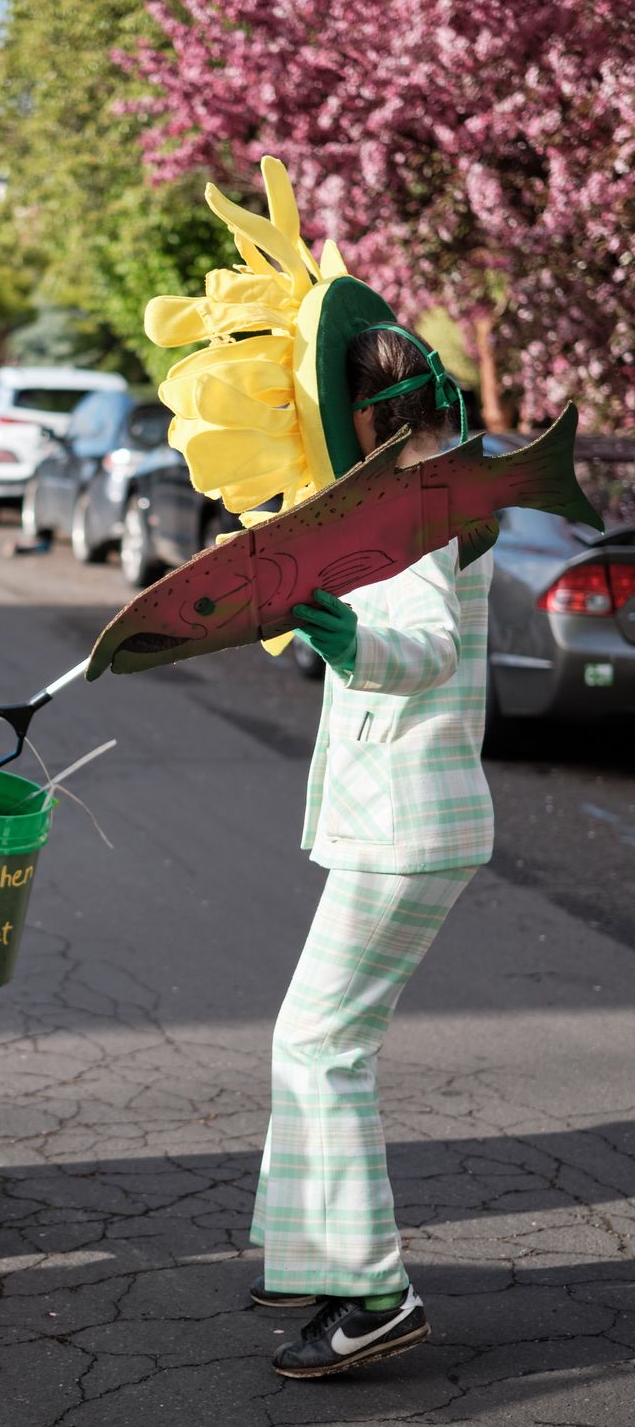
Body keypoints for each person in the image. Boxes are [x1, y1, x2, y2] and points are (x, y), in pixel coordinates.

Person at [247, 323, 494, 1378]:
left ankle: (375, 1290)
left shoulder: (421, 504)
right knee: (314, 1037)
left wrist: (352, 642)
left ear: (368, 415)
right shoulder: (430, 484)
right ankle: (315, 1253)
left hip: (410, 822)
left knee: (319, 1046)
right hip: (403, 815)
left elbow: (430, 643)